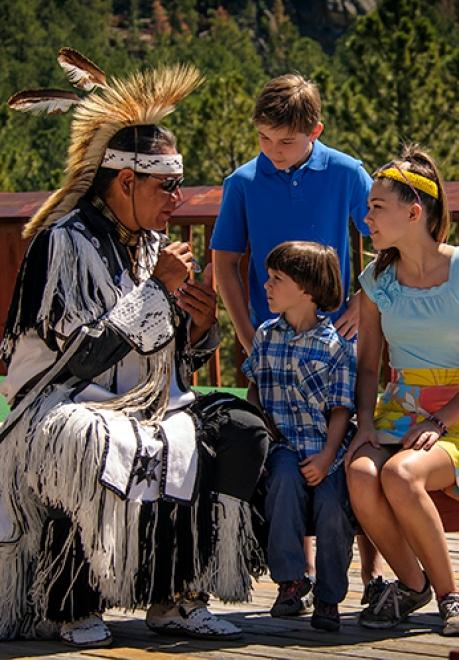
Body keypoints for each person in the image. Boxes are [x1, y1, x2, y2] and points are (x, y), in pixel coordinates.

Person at [0, 54, 269, 647]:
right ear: (126, 182)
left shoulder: (150, 247)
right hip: (58, 406)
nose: (177, 198)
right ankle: (69, 603)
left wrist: (196, 330)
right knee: (97, 440)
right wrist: (157, 292)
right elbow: (79, 358)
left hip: (143, 401)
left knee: (240, 428)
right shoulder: (61, 244)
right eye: (167, 186)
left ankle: (177, 597)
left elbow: (165, 363)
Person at [210, 71, 383, 605]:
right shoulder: (242, 182)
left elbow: (387, 240)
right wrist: (248, 337)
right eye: (263, 138)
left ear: (315, 130)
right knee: (283, 458)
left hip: (338, 347)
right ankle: (295, 579)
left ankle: (372, 576)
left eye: (285, 141)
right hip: (275, 353)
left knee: (355, 452)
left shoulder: (348, 173)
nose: (273, 150)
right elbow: (225, 263)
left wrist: (359, 302)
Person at [346, 146, 459, 636]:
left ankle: (450, 595)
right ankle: (412, 584)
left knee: (400, 475)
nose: (366, 216)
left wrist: (441, 420)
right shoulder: (376, 280)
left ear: (414, 213)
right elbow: (368, 366)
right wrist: (366, 423)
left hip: (453, 415)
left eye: (376, 207)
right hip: (398, 409)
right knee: (360, 472)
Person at [242, 241, 356, 632]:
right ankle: (291, 582)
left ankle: (329, 596)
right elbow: (254, 383)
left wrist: (326, 456)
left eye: (277, 279)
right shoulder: (265, 336)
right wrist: (260, 420)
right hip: (283, 445)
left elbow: (341, 409)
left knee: (331, 507)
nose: (266, 285)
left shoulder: (337, 347)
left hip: (328, 449)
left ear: (306, 289)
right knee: (284, 483)